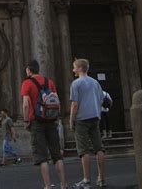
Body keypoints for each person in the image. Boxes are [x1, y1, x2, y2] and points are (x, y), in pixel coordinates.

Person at [21, 59, 67, 189]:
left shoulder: (27, 83)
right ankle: (64, 184)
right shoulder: (49, 82)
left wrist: (25, 121)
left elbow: (25, 105)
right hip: (51, 121)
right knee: (57, 155)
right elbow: (56, 101)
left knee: (42, 156)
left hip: (36, 122)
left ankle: (48, 185)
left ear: (29, 70)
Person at [70, 58, 106, 189]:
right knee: (99, 148)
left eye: (74, 67)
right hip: (95, 117)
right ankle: (101, 179)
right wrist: (98, 114)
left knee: (83, 149)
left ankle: (86, 180)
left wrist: (71, 119)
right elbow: (101, 100)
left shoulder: (76, 83)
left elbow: (74, 104)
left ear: (80, 68)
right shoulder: (95, 82)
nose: (73, 70)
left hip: (81, 119)